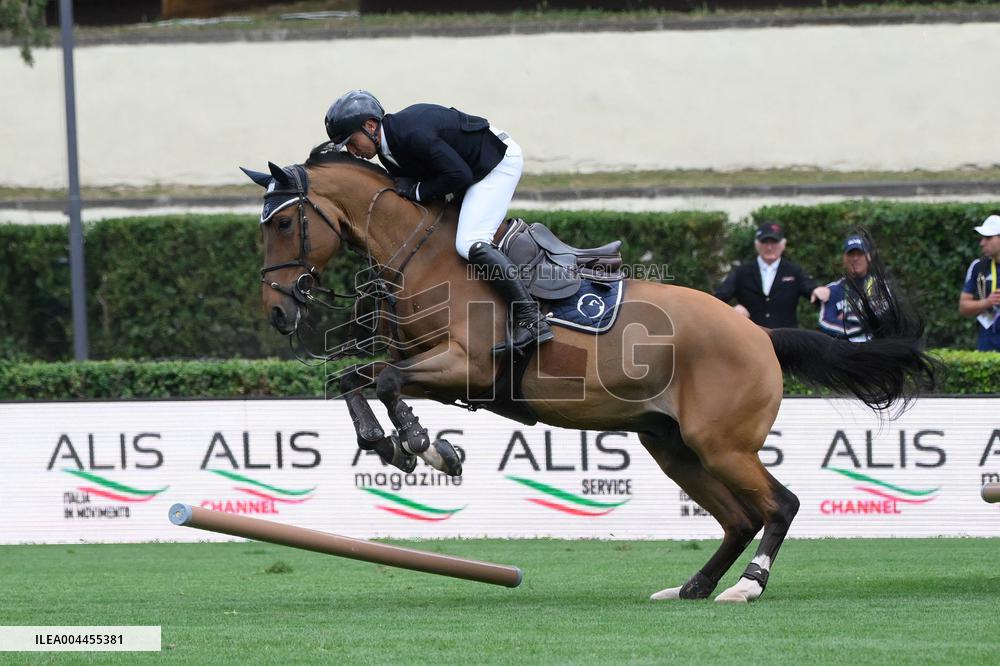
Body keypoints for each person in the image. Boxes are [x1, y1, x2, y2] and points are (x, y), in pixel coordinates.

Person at [323, 90, 552, 352]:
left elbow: (459, 175)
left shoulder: (411, 135)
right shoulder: (387, 151)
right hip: (469, 167)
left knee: (470, 243)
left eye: (351, 142)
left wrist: (419, 190)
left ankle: (531, 319)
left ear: (370, 126)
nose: (352, 151)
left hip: (496, 164)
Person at [713, 221, 823, 328]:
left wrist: (822, 292)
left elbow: (814, 293)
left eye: (774, 242)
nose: (769, 247)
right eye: (765, 242)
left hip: (786, 341)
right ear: (756, 244)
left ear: (783, 244)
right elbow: (716, 300)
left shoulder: (794, 271)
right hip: (751, 340)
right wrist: (731, 312)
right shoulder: (741, 272)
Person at [811, 235, 876, 342]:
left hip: (875, 350)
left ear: (869, 257)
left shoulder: (881, 287)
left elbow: (883, 319)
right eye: (851, 254)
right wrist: (859, 326)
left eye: (860, 254)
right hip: (844, 353)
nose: (855, 258)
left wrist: (846, 316)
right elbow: (825, 322)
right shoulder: (833, 290)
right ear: (844, 258)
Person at [959, 215, 1000, 351]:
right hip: (988, 341)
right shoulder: (978, 267)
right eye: (982, 238)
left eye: (988, 238)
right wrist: (987, 302)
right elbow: (963, 307)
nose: (982, 243)